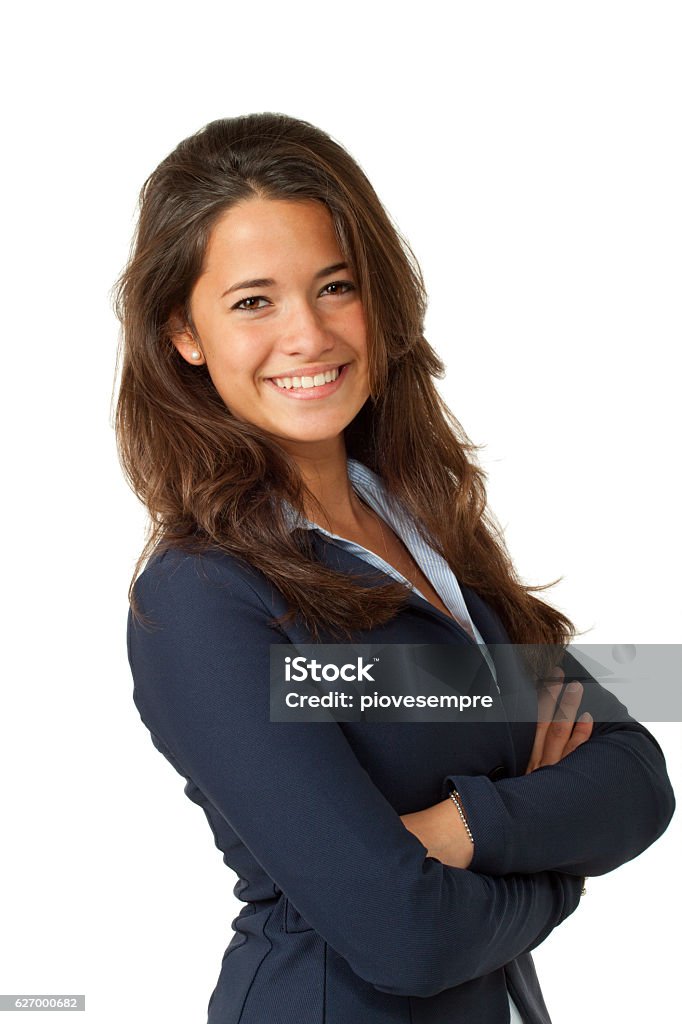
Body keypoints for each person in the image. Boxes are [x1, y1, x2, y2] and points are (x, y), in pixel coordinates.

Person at [114, 113, 675, 1024]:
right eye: (254, 302)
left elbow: (637, 777)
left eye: (336, 288)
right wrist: (558, 873)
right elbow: (406, 935)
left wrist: (456, 831)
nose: (309, 335)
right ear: (184, 332)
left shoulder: (428, 529)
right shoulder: (203, 599)